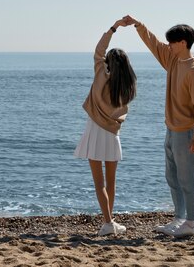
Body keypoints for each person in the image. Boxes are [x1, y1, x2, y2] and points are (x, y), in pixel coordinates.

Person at [123, 15, 194, 238]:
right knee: (172, 177)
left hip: (186, 132)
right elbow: (153, 44)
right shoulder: (172, 60)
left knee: (187, 178)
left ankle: (191, 222)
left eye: (172, 42)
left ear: (182, 43)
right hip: (171, 130)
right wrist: (138, 25)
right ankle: (180, 218)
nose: (168, 46)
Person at [74, 19, 137, 236]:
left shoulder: (101, 74)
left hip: (94, 131)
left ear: (109, 63)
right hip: (112, 135)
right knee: (110, 181)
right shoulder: (127, 87)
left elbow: (98, 51)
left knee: (99, 183)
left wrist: (114, 27)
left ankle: (108, 222)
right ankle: (110, 221)